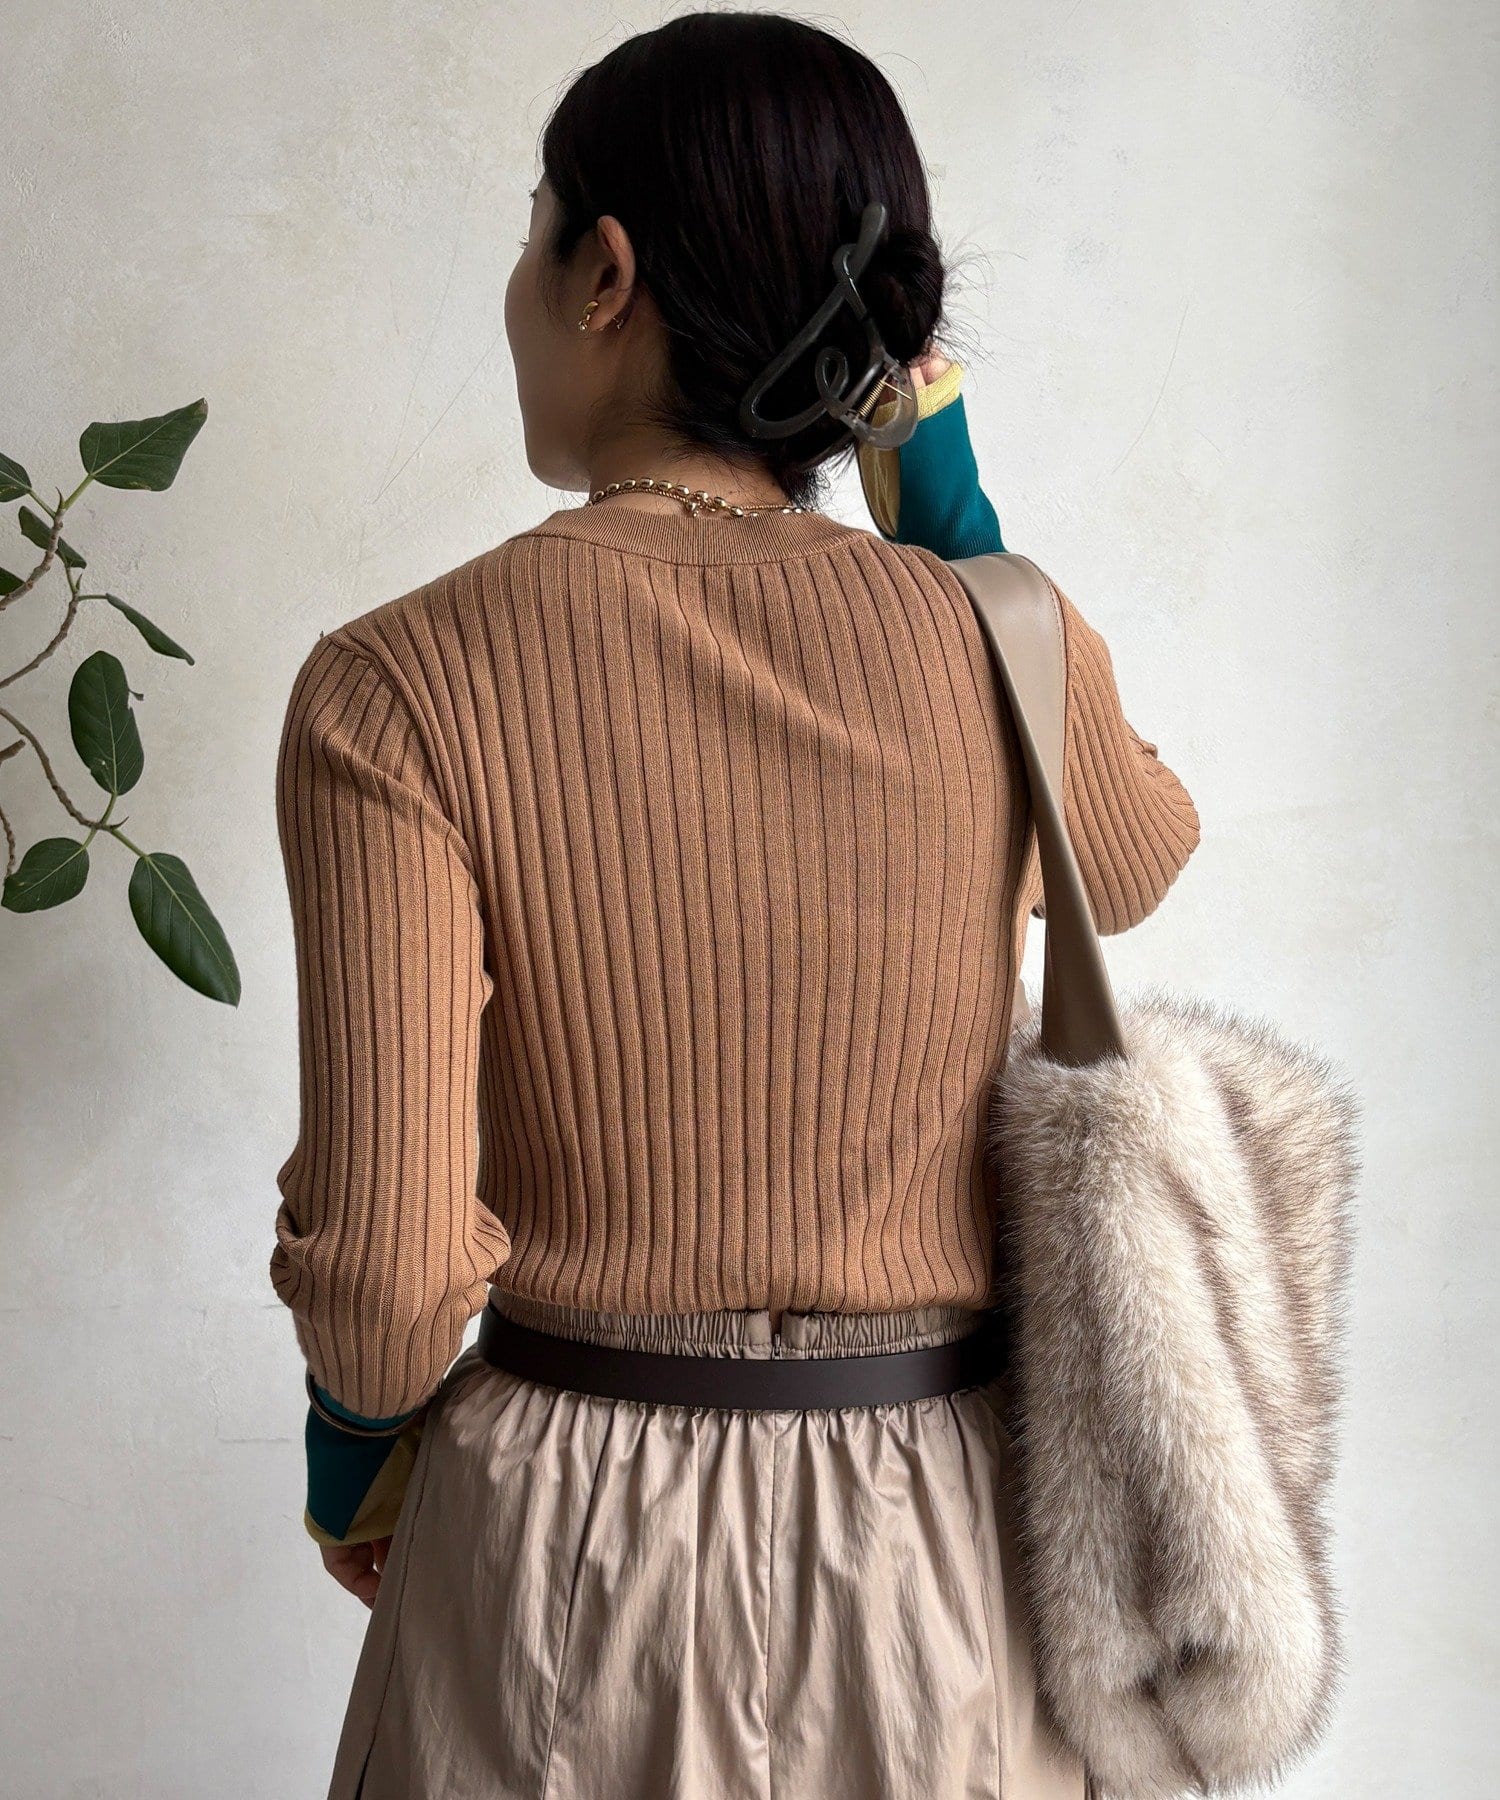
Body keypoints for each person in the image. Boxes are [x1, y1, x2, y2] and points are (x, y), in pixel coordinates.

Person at [269, 13, 1200, 1798]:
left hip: (561, 1559)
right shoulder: (987, 641)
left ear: (604, 273)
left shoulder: (398, 688)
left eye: (536, 235)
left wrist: (350, 1464)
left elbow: (386, 1272)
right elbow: (1137, 853)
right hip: (945, 1555)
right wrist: (950, 506)